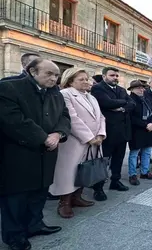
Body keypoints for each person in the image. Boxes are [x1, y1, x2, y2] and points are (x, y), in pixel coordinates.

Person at [0, 58, 71, 249]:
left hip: (47, 153)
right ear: (32, 71)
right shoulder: (9, 87)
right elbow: (13, 120)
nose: (54, 78)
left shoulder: (55, 93)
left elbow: (64, 116)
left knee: (40, 192)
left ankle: (35, 225)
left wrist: (58, 134)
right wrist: (43, 138)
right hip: (18, 154)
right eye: (49, 73)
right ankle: (14, 236)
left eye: (57, 75)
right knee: (16, 197)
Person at [50, 68, 105, 219]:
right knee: (68, 172)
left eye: (87, 79)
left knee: (84, 170)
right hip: (74, 141)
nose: (86, 82)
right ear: (70, 81)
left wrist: (100, 134)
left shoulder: (91, 97)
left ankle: (77, 197)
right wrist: (89, 137)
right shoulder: (65, 94)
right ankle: (64, 203)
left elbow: (100, 117)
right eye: (81, 79)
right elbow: (72, 119)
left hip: (93, 141)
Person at [90, 67, 135, 201]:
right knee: (103, 160)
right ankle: (98, 188)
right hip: (107, 131)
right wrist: (123, 103)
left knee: (119, 158)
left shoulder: (121, 90)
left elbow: (132, 103)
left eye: (117, 75)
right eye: (112, 75)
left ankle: (115, 181)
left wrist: (121, 107)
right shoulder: (98, 88)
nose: (115, 77)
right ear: (104, 76)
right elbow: (106, 103)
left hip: (122, 131)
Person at [127, 80, 152, 185]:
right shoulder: (130, 100)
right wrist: (145, 125)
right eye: (138, 88)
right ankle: (132, 175)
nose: (141, 89)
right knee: (134, 153)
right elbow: (131, 117)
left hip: (148, 130)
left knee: (147, 151)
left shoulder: (146, 99)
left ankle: (145, 172)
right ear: (132, 89)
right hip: (137, 130)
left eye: (142, 87)